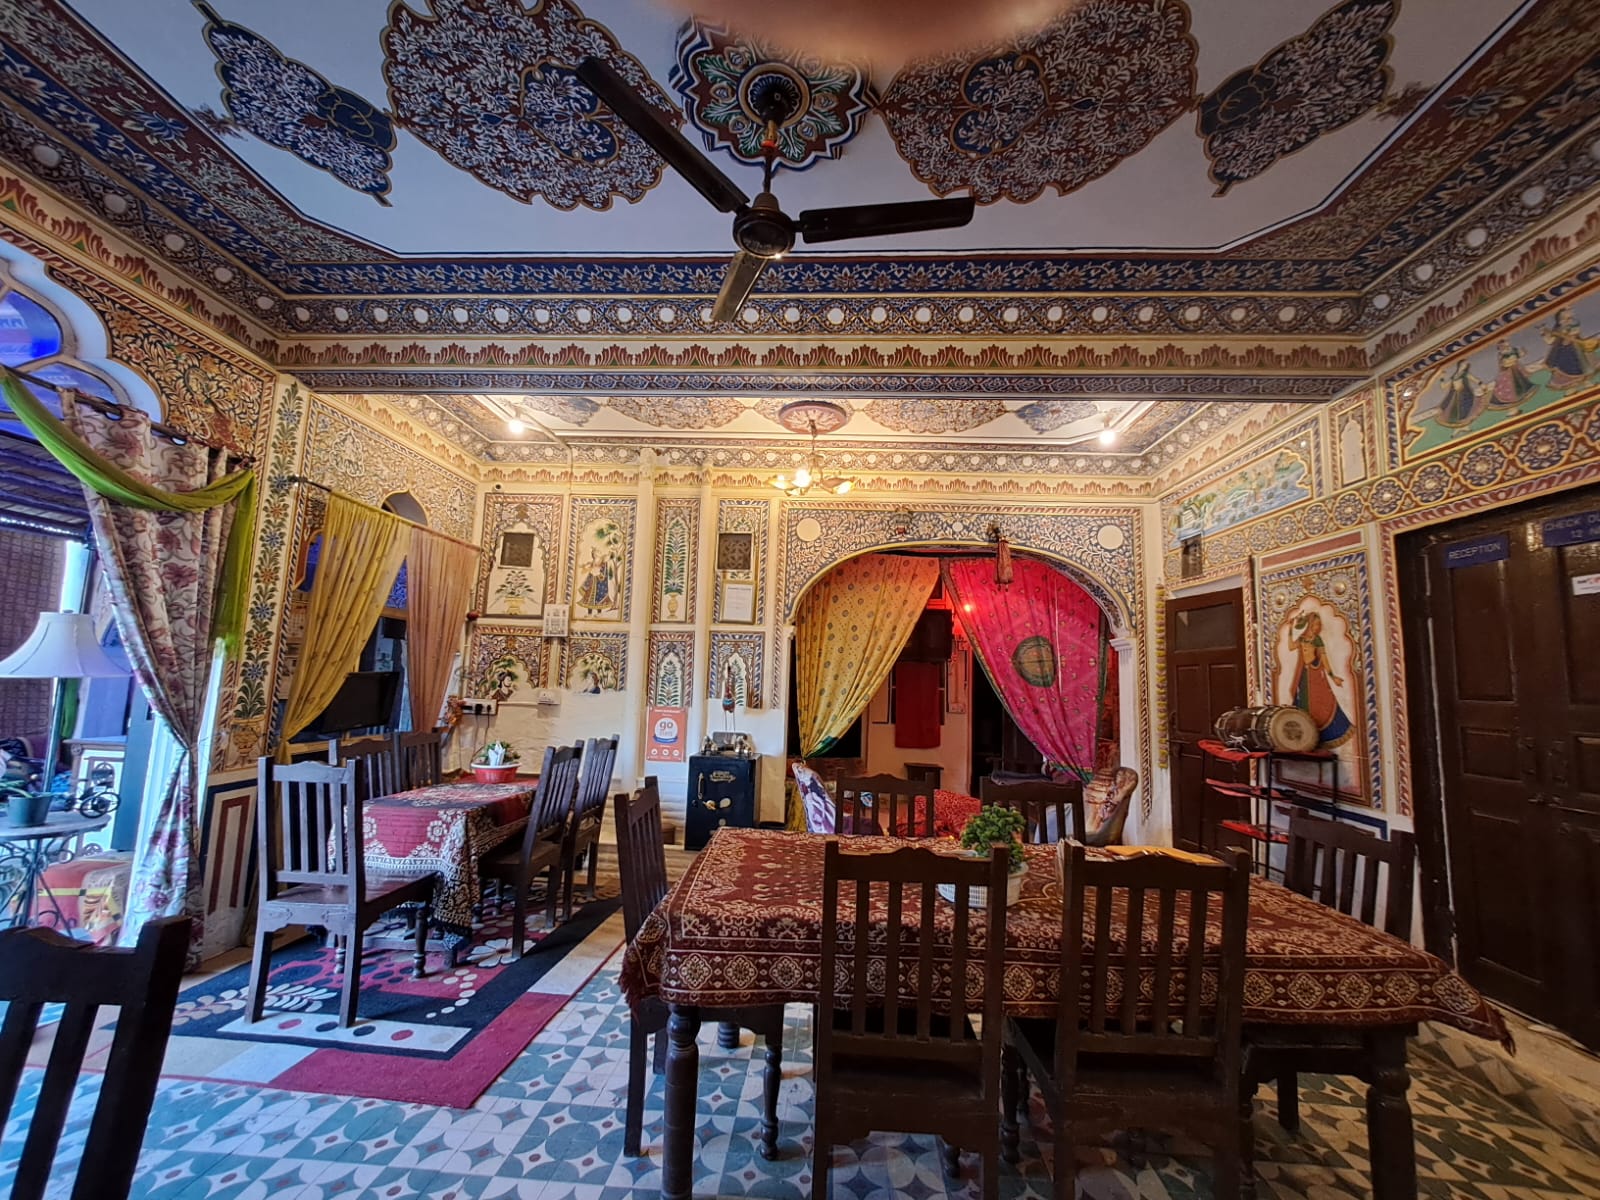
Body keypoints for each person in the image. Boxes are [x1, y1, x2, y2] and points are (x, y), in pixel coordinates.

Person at [1288, 610, 1353, 746]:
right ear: (1309, 625)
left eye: (1319, 625)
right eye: (1315, 624)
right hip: (1304, 675)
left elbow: (1324, 659)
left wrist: (1333, 676)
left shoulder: (1317, 640)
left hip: (1316, 674)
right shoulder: (1302, 638)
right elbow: (1291, 646)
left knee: (1322, 703)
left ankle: (1328, 733)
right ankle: (1306, 736)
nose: (1318, 627)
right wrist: (1290, 628)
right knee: (1302, 704)